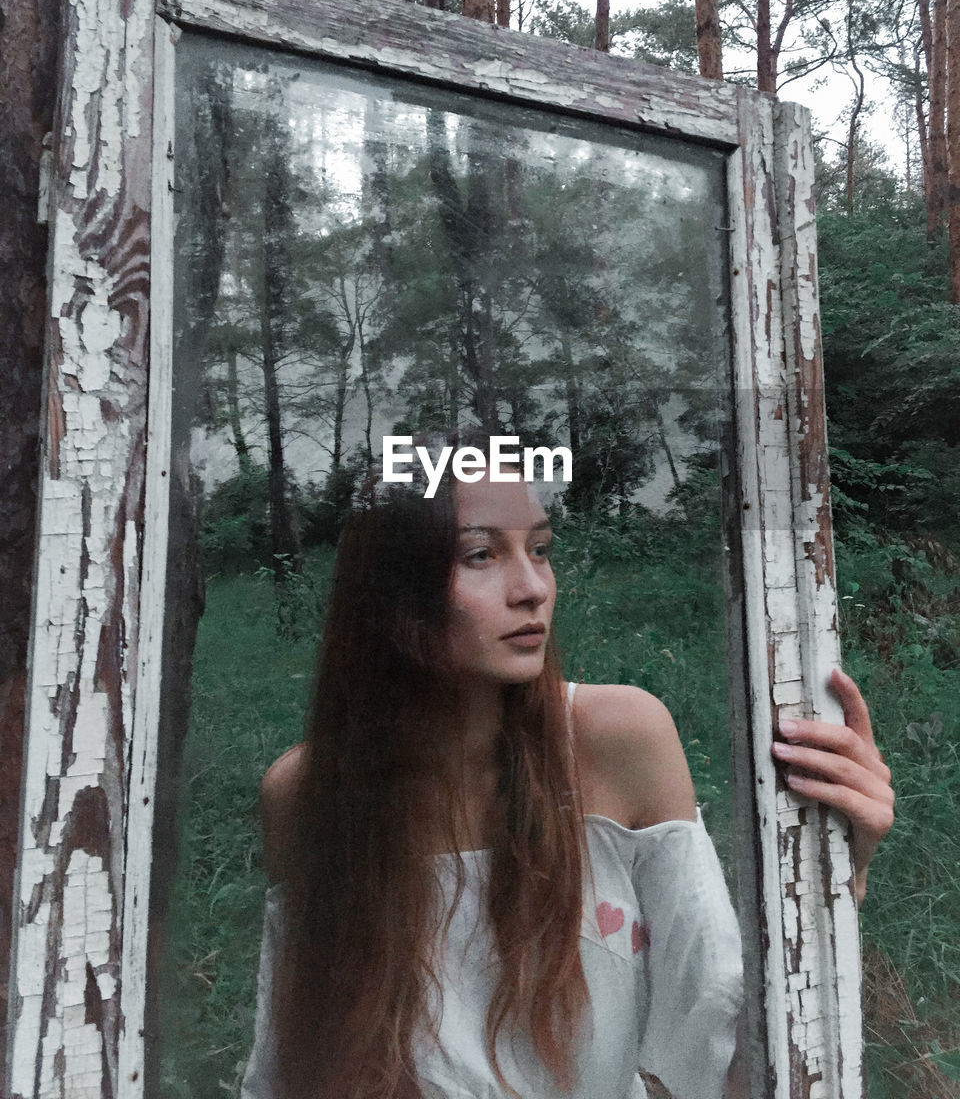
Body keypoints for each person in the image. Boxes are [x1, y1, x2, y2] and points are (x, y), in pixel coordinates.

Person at [240, 437, 894, 1099]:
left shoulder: (616, 738)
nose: (532, 589)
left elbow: (725, 1059)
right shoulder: (307, 793)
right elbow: (298, 1067)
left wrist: (836, 881)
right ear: (393, 593)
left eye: (541, 549)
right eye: (481, 555)